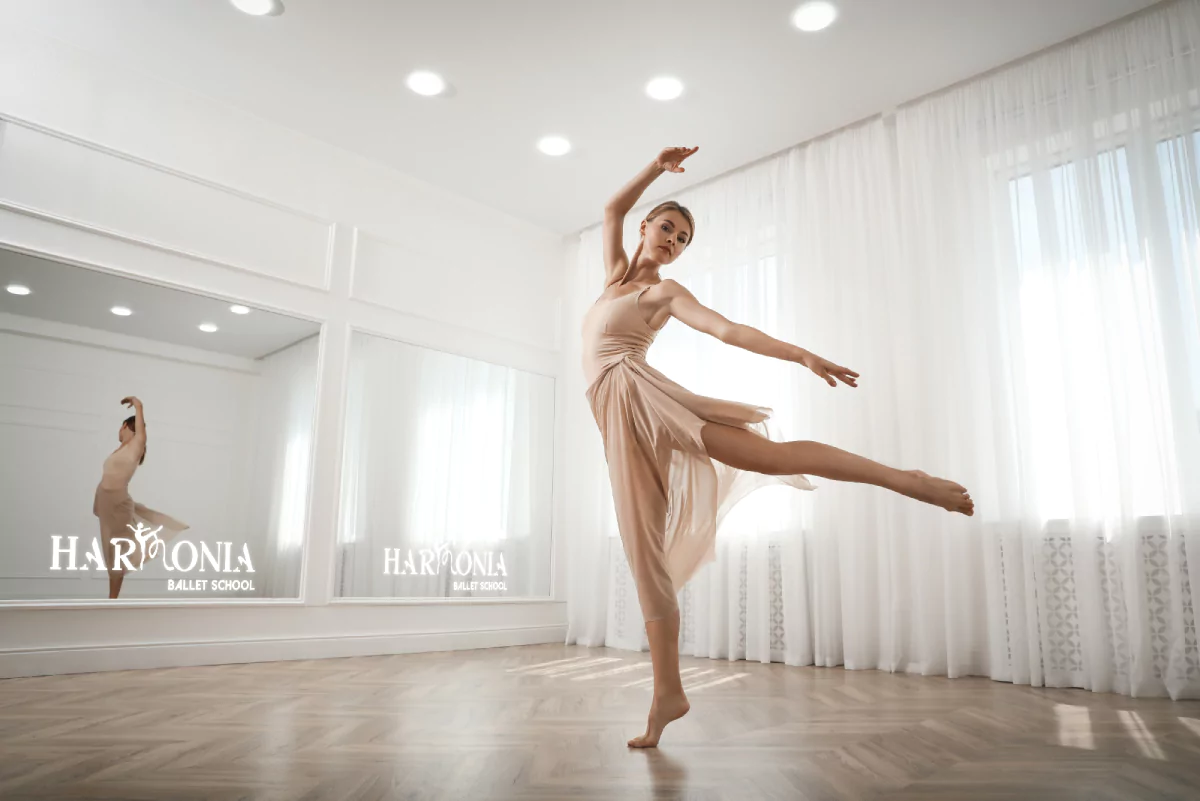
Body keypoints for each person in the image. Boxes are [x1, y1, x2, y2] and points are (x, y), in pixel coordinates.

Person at [581, 146, 974, 748]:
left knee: (761, 465)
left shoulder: (663, 294)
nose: (673, 240)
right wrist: (657, 168)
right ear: (645, 227)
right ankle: (667, 694)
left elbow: (727, 330)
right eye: (667, 227)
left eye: (683, 237)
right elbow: (612, 205)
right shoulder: (614, 278)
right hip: (618, 419)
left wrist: (801, 354)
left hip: (645, 403)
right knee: (646, 552)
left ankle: (905, 479)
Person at [93, 396, 188, 599]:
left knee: (117, 555)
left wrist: (138, 405)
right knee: (111, 555)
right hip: (108, 505)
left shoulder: (135, 446)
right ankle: (112, 601)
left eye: (120, 428)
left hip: (117, 507)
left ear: (125, 426)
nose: (117, 432)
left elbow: (141, 431)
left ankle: (112, 602)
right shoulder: (121, 448)